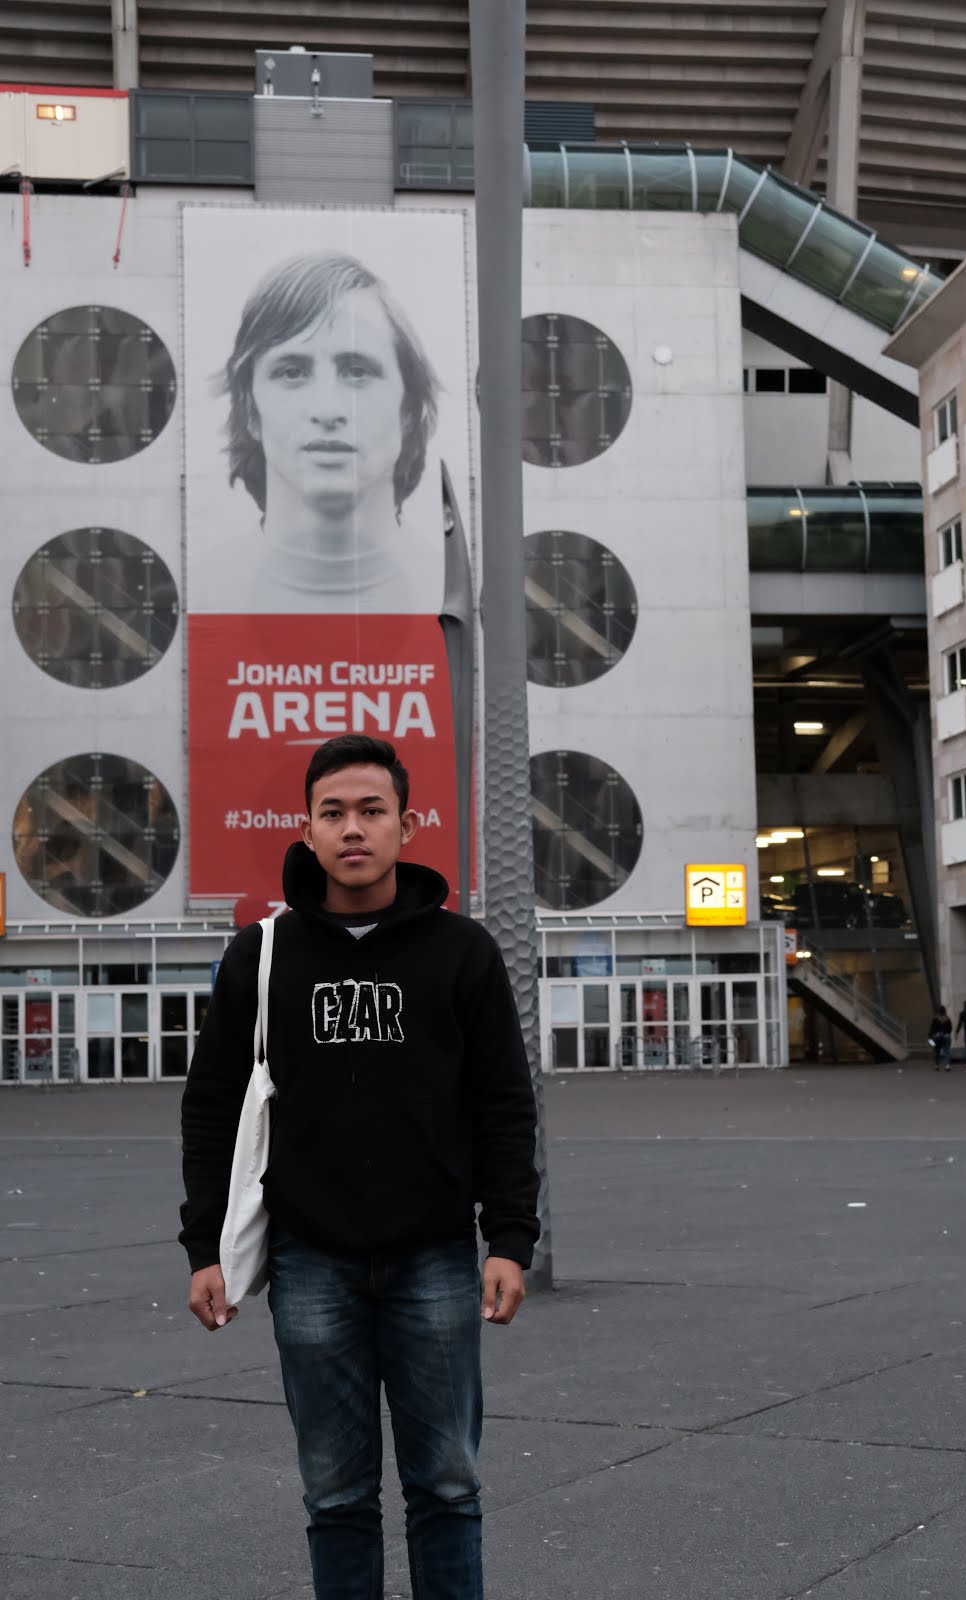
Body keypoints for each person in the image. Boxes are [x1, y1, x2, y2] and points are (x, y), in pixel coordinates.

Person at [179, 733, 540, 1600]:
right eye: (333, 812)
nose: (352, 829)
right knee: (336, 1494)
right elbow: (212, 1107)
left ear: (406, 826)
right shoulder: (261, 956)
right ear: (305, 829)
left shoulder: (462, 952)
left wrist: (510, 1239)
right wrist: (202, 1249)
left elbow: (503, 1105)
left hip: (436, 1258)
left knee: (447, 1488)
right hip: (312, 1262)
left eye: (371, 811)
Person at [215, 250, 442, 612]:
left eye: (357, 371)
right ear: (249, 409)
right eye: (292, 372)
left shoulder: (454, 591)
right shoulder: (202, 594)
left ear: (409, 410)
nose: (327, 411)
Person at [928, 1003, 953, 1071]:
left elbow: (932, 1028)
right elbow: (950, 1029)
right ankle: (947, 1066)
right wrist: (946, 1033)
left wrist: (930, 1036)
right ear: (945, 1011)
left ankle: (936, 1066)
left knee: (937, 1051)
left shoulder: (935, 1019)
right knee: (946, 1051)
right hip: (946, 1037)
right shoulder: (947, 1019)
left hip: (937, 1037)